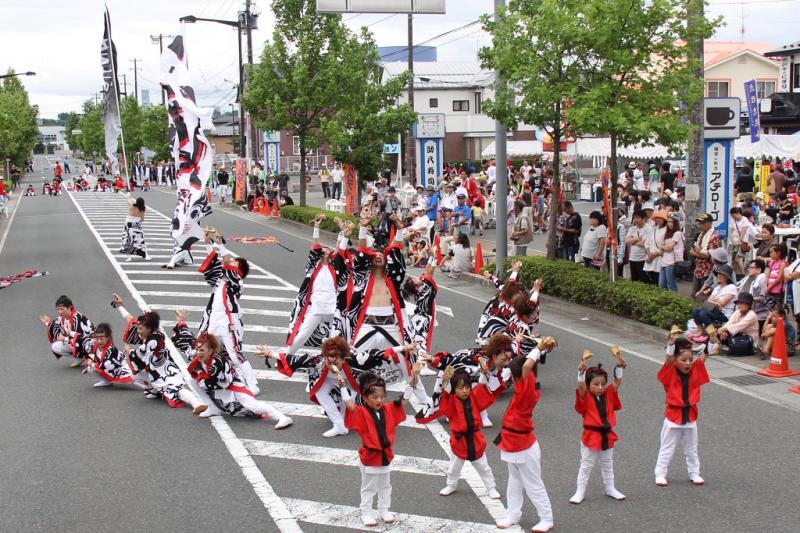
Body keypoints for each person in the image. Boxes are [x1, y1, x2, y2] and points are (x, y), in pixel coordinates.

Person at [416, 366, 503, 499]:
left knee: (484, 467)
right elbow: (446, 393)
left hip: (475, 439)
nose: (464, 391)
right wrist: (445, 381)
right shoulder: (451, 401)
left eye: (467, 387)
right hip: (459, 441)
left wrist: (484, 371)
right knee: (454, 468)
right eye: (460, 388)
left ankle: (491, 488)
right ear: (454, 389)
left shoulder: (474, 397)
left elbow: (481, 386)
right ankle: (451, 485)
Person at [340, 371, 412, 527]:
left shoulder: (388, 409)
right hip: (370, 456)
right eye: (374, 397)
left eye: (382, 397)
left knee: (386, 485)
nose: (379, 400)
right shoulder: (362, 412)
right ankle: (366, 512)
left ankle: (384, 509)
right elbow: (349, 404)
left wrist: (412, 384)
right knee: (369, 487)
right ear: (365, 398)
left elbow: (403, 401)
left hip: (385, 455)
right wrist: (342, 386)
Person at [183, 331, 293, 427]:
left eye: (201, 350)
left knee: (253, 406)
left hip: (232, 385)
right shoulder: (199, 357)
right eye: (197, 349)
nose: (198, 353)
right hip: (219, 385)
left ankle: (282, 417)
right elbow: (186, 341)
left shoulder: (217, 362)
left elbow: (212, 384)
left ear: (211, 351)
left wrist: (200, 375)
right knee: (192, 379)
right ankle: (212, 407)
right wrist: (181, 323)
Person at [495, 355, 554, 532]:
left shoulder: (526, 389)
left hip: (524, 445)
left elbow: (527, 367)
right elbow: (522, 367)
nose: (512, 377)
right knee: (514, 481)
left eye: (514, 374)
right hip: (512, 442)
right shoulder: (524, 387)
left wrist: (539, 348)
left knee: (533, 483)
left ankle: (547, 517)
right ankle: (513, 514)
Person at [257, 336, 359, 437]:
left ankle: (343, 418)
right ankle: (339, 425)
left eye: (336, 363)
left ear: (343, 359)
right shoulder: (319, 362)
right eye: (329, 362)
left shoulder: (355, 362)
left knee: (350, 400)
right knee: (320, 392)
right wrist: (270, 354)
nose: (332, 366)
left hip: (350, 383)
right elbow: (297, 359)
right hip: (328, 380)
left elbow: (373, 363)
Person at [197, 230, 259, 394]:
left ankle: (253, 384)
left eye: (234, 263)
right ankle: (216, 378)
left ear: (240, 271)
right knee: (209, 350)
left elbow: (227, 266)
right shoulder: (220, 280)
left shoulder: (237, 282)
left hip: (228, 322)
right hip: (214, 320)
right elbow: (213, 266)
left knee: (234, 353)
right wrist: (208, 244)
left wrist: (221, 245)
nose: (230, 263)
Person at [569, 347, 627, 504]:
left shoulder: (608, 393)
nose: (600, 387)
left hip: (607, 434)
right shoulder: (585, 395)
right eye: (596, 384)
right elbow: (581, 386)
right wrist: (581, 371)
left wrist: (619, 366)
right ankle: (580, 491)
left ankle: (610, 487)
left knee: (608, 463)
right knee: (586, 465)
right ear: (589, 385)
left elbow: (617, 382)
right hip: (591, 435)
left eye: (602, 384)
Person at [285, 215, 350, 354]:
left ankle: (338, 363)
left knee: (336, 340)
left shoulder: (336, 268)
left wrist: (342, 231)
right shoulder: (312, 268)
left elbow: (341, 252)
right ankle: (286, 357)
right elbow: (315, 246)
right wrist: (316, 227)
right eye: (323, 249)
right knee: (301, 335)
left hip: (334, 308)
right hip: (316, 306)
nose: (325, 250)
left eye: (327, 249)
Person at [126, 311, 209, 414]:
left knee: (177, 391)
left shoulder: (152, 341)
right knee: (135, 375)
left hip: (165, 372)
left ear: (149, 328)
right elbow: (132, 321)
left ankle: (197, 404)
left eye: (140, 329)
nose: (138, 331)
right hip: (156, 370)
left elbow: (139, 354)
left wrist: (129, 351)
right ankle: (153, 389)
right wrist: (121, 306)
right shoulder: (152, 334)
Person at [654, 343, 711, 487]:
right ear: (675, 360)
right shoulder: (670, 372)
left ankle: (694, 473)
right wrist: (671, 345)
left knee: (692, 448)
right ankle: (660, 473)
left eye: (690, 360)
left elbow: (703, 357)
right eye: (683, 360)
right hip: (674, 415)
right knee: (667, 447)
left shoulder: (695, 370)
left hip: (690, 415)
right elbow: (668, 360)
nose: (688, 363)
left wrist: (711, 341)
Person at [39, 294, 95, 367]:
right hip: (77, 342)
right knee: (55, 347)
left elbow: (79, 337)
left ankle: (91, 357)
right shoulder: (62, 318)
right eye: (58, 309)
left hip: (90, 342)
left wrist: (65, 338)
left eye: (62, 309)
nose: (60, 312)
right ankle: (80, 357)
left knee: (78, 343)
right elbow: (54, 325)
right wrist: (47, 322)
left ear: (69, 308)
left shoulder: (76, 318)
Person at [689, 264, 737, 342]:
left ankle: (712, 335)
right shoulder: (717, 288)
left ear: (727, 277)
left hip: (725, 314)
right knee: (696, 311)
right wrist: (717, 302)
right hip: (714, 311)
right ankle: (702, 331)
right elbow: (709, 301)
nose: (719, 276)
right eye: (718, 274)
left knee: (703, 313)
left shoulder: (732, 287)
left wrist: (716, 301)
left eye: (722, 274)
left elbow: (723, 302)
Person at [84, 323, 137, 388]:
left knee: (130, 380)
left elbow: (108, 364)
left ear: (108, 338)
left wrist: (93, 364)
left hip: (119, 366)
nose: (99, 341)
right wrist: (90, 360)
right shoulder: (94, 345)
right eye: (97, 338)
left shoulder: (111, 349)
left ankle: (144, 386)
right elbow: (91, 353)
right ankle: (107, 381)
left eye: (101, 338)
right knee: (91, 368)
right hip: (107, 366)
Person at [689, 213, 721, 294]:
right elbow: (697, 249)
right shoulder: (701, 234)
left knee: (703, 294)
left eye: (703, 223)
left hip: (707, 270)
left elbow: (710, 255)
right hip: (698, 268)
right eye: (700, 223)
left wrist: (696, 253)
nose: (700, 225)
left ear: (710, 223)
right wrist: (697, 252)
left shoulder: (714, 236)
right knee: (694, 293)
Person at [738, 259, 769, 330]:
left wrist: (749, 298)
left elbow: (765, 298)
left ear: (759, 270)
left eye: (751, 268)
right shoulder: (754, 281)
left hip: (761, 315)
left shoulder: (762, 280)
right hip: (754, 314)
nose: (749, 269)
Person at [119, 195, 150, 262]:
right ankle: (146, 256)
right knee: (141, 241)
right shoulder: (142, 209)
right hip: (137, 225)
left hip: (129, 224)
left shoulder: (132, 206)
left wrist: (128, 196)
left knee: (127, 240)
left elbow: (129, 201)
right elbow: (142, 219)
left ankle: (128, 257)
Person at [659, 213, 684, 292]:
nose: (669, 224)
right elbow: (662, 245)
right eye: (668, 222)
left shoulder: (678, 233)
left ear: (676, 223)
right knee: (661, 285)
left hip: (672, 263)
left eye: (672, 222)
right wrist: (663, 247)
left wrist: (663, 246)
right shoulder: (667, 234)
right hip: (664, 261)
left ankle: (674, 302)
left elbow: (669, 248)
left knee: (671, 284)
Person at [728, 207, 754, 277]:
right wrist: (733, 241)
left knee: (739, 258)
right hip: (733, 242)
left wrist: (738, 241)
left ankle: (742, 273)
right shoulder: (733, 220)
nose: (733, 217)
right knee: (733, 259)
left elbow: (743, 231)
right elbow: (730, 231)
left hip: (741, 242)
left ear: (738, 213)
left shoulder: (744, 219)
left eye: (733, 215)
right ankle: (737, 273)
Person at [644, 211, 667, 284]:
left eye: (661, 218)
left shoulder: (666, 230)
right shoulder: (653, 229)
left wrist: (653, 256)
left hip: (659, 258)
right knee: (650, 279)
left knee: (658, 279)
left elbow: (663, 246)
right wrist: (649, 254)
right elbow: (646, 243)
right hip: (649, 257)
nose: (658, 220)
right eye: (657, 218)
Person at [765, 243, 788, 308]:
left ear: (778, 253)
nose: (770, 254)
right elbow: (767, 275)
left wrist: (769, 287)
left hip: (777, 289)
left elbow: (779, 278)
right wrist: (765, 286)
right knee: (769, 306)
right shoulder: (771, 262)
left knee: (776, 307)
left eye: (772, 252)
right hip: (769, 288)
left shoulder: (783, 263)